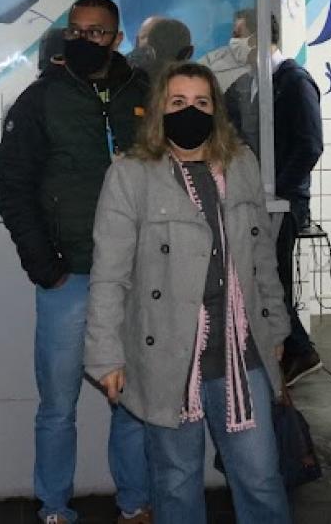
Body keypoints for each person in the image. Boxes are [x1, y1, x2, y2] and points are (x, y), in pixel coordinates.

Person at [85, 62, 291, 524]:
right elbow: (109, 275)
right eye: (178, 102)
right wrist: (106, 355)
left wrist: (276, 325)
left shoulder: (241, 165)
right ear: (160, 109)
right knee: (176, 482)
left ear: (216, 110)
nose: (190, 112)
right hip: (167, 357)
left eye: (201, 102)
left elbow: (262, 256)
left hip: (241, 352)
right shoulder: (131, 175)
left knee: (261, 476)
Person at [0, 0, 153, 524]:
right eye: (76, 31)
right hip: (70, 276)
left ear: (118, 37)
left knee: (132, 401)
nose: (85, 41)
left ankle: (135, 502)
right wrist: (43, 263)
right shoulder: (40, 100)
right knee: (58, 407)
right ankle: (54, 507)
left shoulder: (147, 93)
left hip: (135, 275)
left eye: (98, 33)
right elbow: (13, 186)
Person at [224, 11, 324, 387]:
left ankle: (298, 348)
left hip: (283, 200)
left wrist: (280, 191)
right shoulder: (249, 83)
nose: (233, 41)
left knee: (274, 276)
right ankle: (288, 346)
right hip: (257, 197)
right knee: (266, 275)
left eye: (238, 34)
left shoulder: (293, 81)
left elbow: (309, 144)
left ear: (258, 36)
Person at [127, 16, 194, 84]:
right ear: (137, 42)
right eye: (144, 36)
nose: (149, 41)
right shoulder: (127, 71)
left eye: (157, 36)